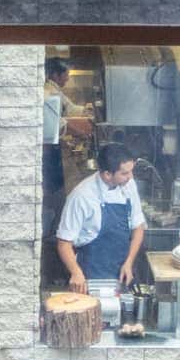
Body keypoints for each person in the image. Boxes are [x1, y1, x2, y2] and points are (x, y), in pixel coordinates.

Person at [55, 142, 147, 292]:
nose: (131, 177)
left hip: (122, 272)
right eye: (124, 173)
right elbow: (64, 243)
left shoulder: (129, 185)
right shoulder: (82, 196)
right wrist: (76, 273)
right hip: (90, 275)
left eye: (131, 171)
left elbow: (138, 227)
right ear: (107, 174)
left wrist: (129, 262)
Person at [42, 57, 72, 207]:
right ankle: (51, 218)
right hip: (47, 148)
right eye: (66, 74)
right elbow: (57, 122)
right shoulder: (49, 92)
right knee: (51, 189)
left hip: (51, 147)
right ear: (55, 74)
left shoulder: (54, 90)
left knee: (54, 188)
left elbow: (70, 107)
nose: (68, 78)